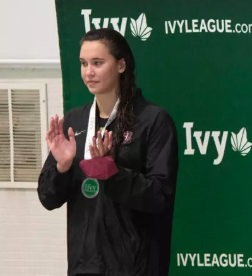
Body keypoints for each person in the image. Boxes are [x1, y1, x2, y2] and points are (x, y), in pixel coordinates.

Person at [37, 28, 179, 276]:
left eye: (97, 63)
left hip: (136, 267)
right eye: (83, 63)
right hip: (85, 266)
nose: (88, 72)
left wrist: (112, 172)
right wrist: (61, 167)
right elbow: (48, 198)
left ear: (121, 65)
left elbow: (160, 197)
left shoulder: (153, 121)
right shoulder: (75, 121)